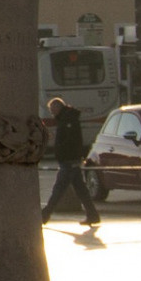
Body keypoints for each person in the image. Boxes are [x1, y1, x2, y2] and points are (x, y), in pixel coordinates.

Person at [41, 95, 96, 227]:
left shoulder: (67, 120)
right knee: (81, 189)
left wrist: (60, 150)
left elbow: (71, 140)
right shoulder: (67, 118)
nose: (52, 113)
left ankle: (44, 215)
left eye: (52, 110)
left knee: (58, 189)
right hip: (72, 159)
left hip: (69, 160)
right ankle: (93, 215)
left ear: (58, 107)